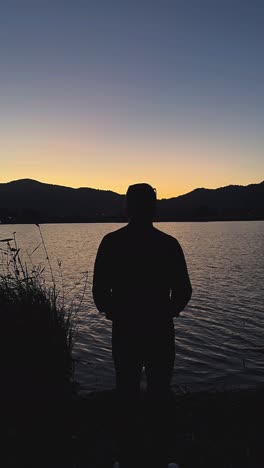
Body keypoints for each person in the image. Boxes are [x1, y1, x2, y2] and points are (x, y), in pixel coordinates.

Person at [93, 183, 192, 398]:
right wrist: (167, 312)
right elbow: (184, 291)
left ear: (128, 208)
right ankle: (159, 428)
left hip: (125, 329)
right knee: (160, 389)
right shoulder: (168, 244)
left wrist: (116, 312)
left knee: (126, 388)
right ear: (154, 208)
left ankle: (130, 428)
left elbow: (99, 293)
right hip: (160, 329)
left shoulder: (111, 243)